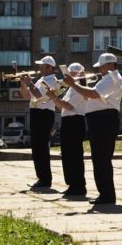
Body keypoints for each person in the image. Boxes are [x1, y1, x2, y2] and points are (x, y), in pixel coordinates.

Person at [64, 52, 122, 206]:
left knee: (102, 159)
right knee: (99, 159)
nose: (100, 69)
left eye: (102, 66)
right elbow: (88, 96)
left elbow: (92, 94)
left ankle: (107, 195)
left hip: (104, 119)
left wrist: (73, 84)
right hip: (100, 119)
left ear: (110, 65)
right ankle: (104, 193)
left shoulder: (112, 78)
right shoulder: (107, 79)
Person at [48, 63, 88, 196]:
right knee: (67, 155)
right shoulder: (71, 89)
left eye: (71, 74)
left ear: (78, 74)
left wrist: (54, 97)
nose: (67, 77)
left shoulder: (79, 88)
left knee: (74, 155)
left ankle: (78, 186)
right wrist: (54, 97)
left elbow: (69, 106)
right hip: (68, 121)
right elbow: (61, 107)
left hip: (75, 121)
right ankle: (72, 184)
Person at [20, 55, 60, 189]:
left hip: (44, 114)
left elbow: (39, 96)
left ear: (50, 67)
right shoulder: (41, 79)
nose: (39, 68)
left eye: (42, 66)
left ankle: (45, 179)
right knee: (36, 148)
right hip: (36, 113)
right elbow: (26, 96)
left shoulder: (52, 81)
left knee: (41, 148)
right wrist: (23, 84)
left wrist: (30, 83)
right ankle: (41, 178)